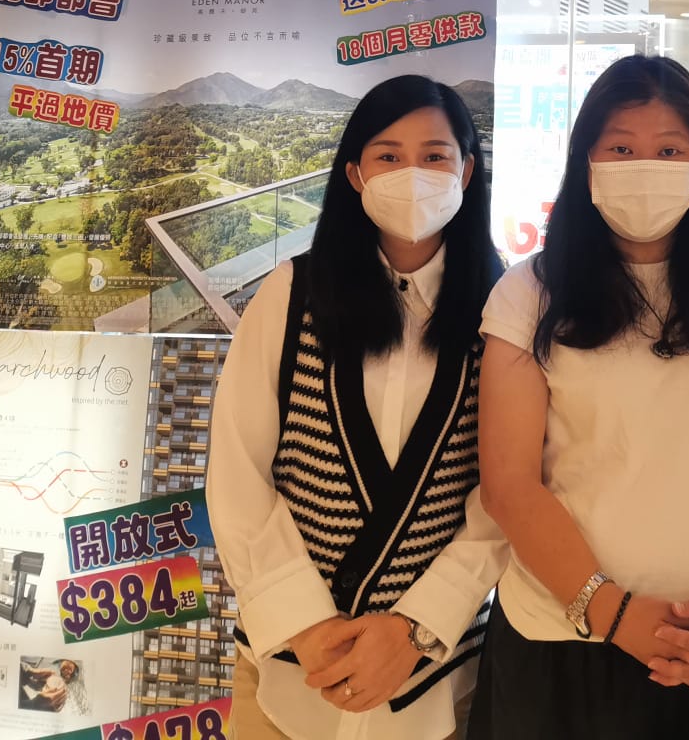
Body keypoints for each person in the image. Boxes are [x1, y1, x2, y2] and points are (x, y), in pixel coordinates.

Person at [472, 55, 689, 739]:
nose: (645, 167)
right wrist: (615, 613)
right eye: (621, 149)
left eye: (669, 150)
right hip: (564, 649)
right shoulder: (527, 293)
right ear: (586, 162)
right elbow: (509, 484)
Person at [208, 74, 508, 739]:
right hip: (290, 678)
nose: (413, 174)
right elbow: (237, 469)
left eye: (435, 156)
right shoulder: (291, 294)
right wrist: (304, 623)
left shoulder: (506, 308)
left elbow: (505, 495)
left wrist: (416, 627)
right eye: (388, 156)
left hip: (435, 680)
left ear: (467, 169)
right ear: (355, 174)